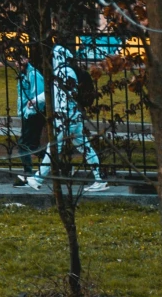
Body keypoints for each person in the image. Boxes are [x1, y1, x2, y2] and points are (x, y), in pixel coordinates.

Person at [25, 43, 109, 193]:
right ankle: (99, 178)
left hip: (66, 117)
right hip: (71, 116)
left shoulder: (64, 71)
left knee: (54, 147)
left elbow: (63, 95)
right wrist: (35, 101)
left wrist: (62, 114)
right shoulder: (64, 71)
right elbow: (52, 92)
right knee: (84, 147)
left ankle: (38, 179)